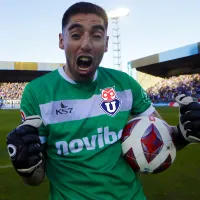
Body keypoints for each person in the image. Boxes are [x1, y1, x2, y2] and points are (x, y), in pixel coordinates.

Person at [6, 2, 200, 200]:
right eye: (75, 35)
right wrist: (26, 168)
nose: (86, 44)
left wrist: (183, 135)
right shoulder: (37, 93)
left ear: (106, 44)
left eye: (96, 36)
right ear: (61, 40)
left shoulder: (125, 84)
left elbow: (164, 137)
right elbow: (36, 177)